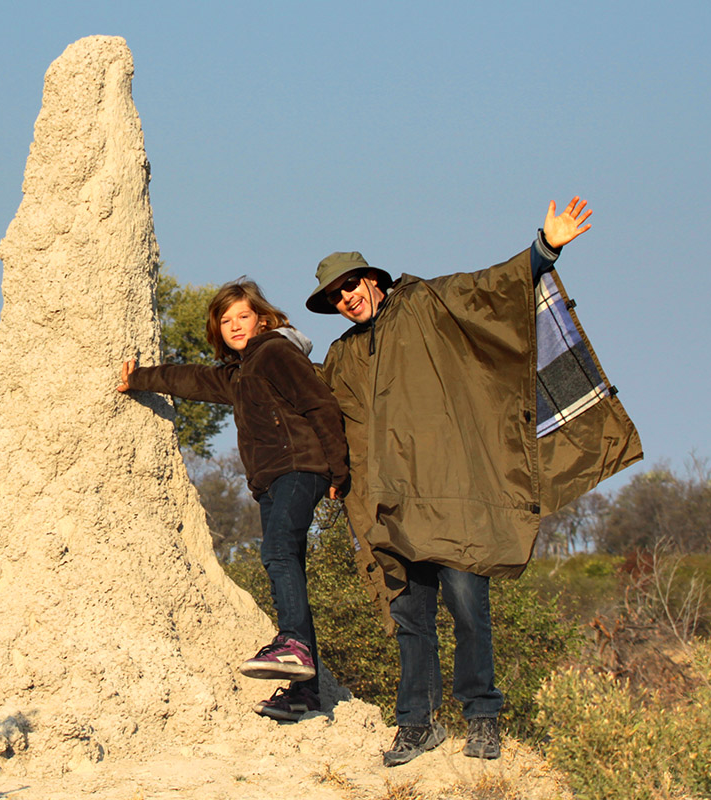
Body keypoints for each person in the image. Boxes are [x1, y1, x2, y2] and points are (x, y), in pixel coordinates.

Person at [306, 198, 642, 765]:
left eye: (351, 284)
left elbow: (492, 290)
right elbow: (318, 410)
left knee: (468, 609)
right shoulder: (342, 355)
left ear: (372, 279)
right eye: (336, 296)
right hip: (392, 507)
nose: (347, 298)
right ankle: (416, 724)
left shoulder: (428, 302)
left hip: (455, 496)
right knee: (409, 619)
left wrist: (545, 248)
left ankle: (482, 718)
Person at [118, 279, 349, 721]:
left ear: (262, 318)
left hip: (300, 467)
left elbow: (320, 404)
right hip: (273, 479)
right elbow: (194, 379)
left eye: (243, 316)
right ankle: (307, 693)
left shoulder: (275, 352)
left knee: (278, 550)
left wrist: (338, 468)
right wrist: (139, 378)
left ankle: (293, 648)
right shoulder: (243, 372)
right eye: (225, 321)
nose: (235, 325)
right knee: (288, 567)